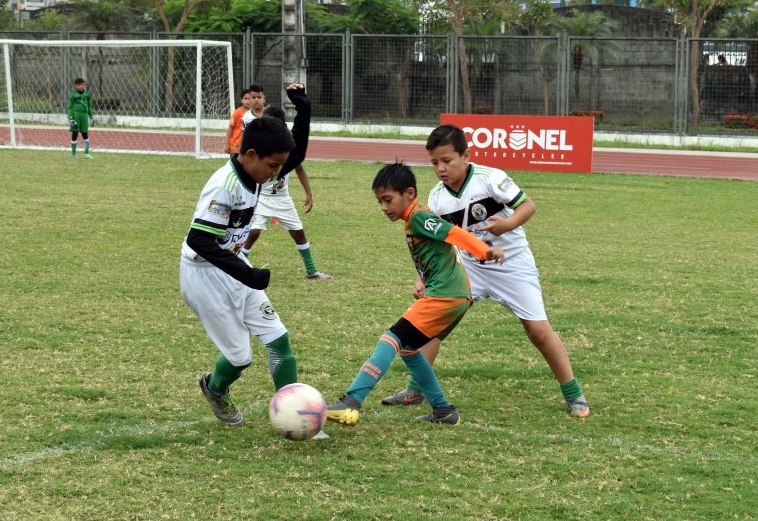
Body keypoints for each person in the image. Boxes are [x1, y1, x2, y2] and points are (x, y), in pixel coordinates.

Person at [379, 125, 591, 417]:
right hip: (468, 267)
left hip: (512, 264)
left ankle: (574, 395)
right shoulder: (438, 197)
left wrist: (507, 224)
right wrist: (422, 277)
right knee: (434, 324)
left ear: (465, 155)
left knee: (537, 330)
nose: (440, 169)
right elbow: (437, 242)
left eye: (447, 161)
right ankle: (416, 390)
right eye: (434, 163)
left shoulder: (490, 178)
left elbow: (528, 205)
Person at [325, 162, 505, 427]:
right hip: (453, 295)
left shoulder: (419, 216)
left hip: (446, 295)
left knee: (391, 338)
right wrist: (424, 279)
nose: (384, 208)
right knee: (409, 349)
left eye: (388, 200)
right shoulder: (413, 217)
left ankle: (352, 400)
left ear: (409, 193)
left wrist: (484, 251)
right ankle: (444, 410)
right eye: (379, 202)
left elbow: (452, 233)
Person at [181, 116, 318, 434]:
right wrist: (248, 273)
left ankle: (294, 414)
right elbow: (198, 240)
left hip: (234, 267)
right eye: (274, 166)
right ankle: (214, 387)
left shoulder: (259, 172)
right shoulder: (224, 185)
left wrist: (303, 110)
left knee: (278, 341)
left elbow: (294, 156)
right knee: (240, 356)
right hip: (203, 275)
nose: (277, 173)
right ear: (251, 155)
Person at [241, 83, 332, 280]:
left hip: (282, 197)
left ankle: (312, 271)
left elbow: (298, 164)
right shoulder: (259, 146)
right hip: (262, 197)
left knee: (298, 233)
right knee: (253, 232)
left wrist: (308, 193)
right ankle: (237, 266)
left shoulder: (286, 149)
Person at [67, 77, 93, 159]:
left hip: (84, 116)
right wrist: (70, 118)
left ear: (84, 85)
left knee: (85, 134)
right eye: (78, 85)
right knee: (75, 134)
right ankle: (74, 154)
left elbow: (89, 106)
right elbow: (70, 108)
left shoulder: (87, 94)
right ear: (75, 86)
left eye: (81, 84)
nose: (80, 86)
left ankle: (87, 153)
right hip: (76, 115)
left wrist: (91, 117)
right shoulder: (73, 95)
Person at [225, 88, 252, 154]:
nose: (248, 101)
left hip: (248, 146)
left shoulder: (254, 113)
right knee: (235, 164)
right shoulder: (236, 113)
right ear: (241, 100)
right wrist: (226, 144)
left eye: (250, 99)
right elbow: (230, 128)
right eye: (245, 99)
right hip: (235, 146)